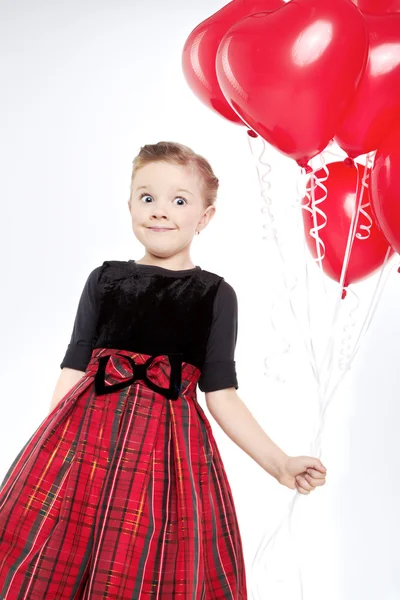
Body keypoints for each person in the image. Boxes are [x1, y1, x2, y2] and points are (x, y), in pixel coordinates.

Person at [0, 141, 327, 599]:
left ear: (204, 217)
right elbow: (74, 368)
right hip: (86, 448)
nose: (160, 211)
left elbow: (222, 394)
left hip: (162, 458)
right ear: (130, 204)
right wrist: (47, 452)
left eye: (179, 200)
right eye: (146, 197)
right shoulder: (104, 279)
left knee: (139, 563)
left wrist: (280, 464)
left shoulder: (215, 295)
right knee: (51, 553)